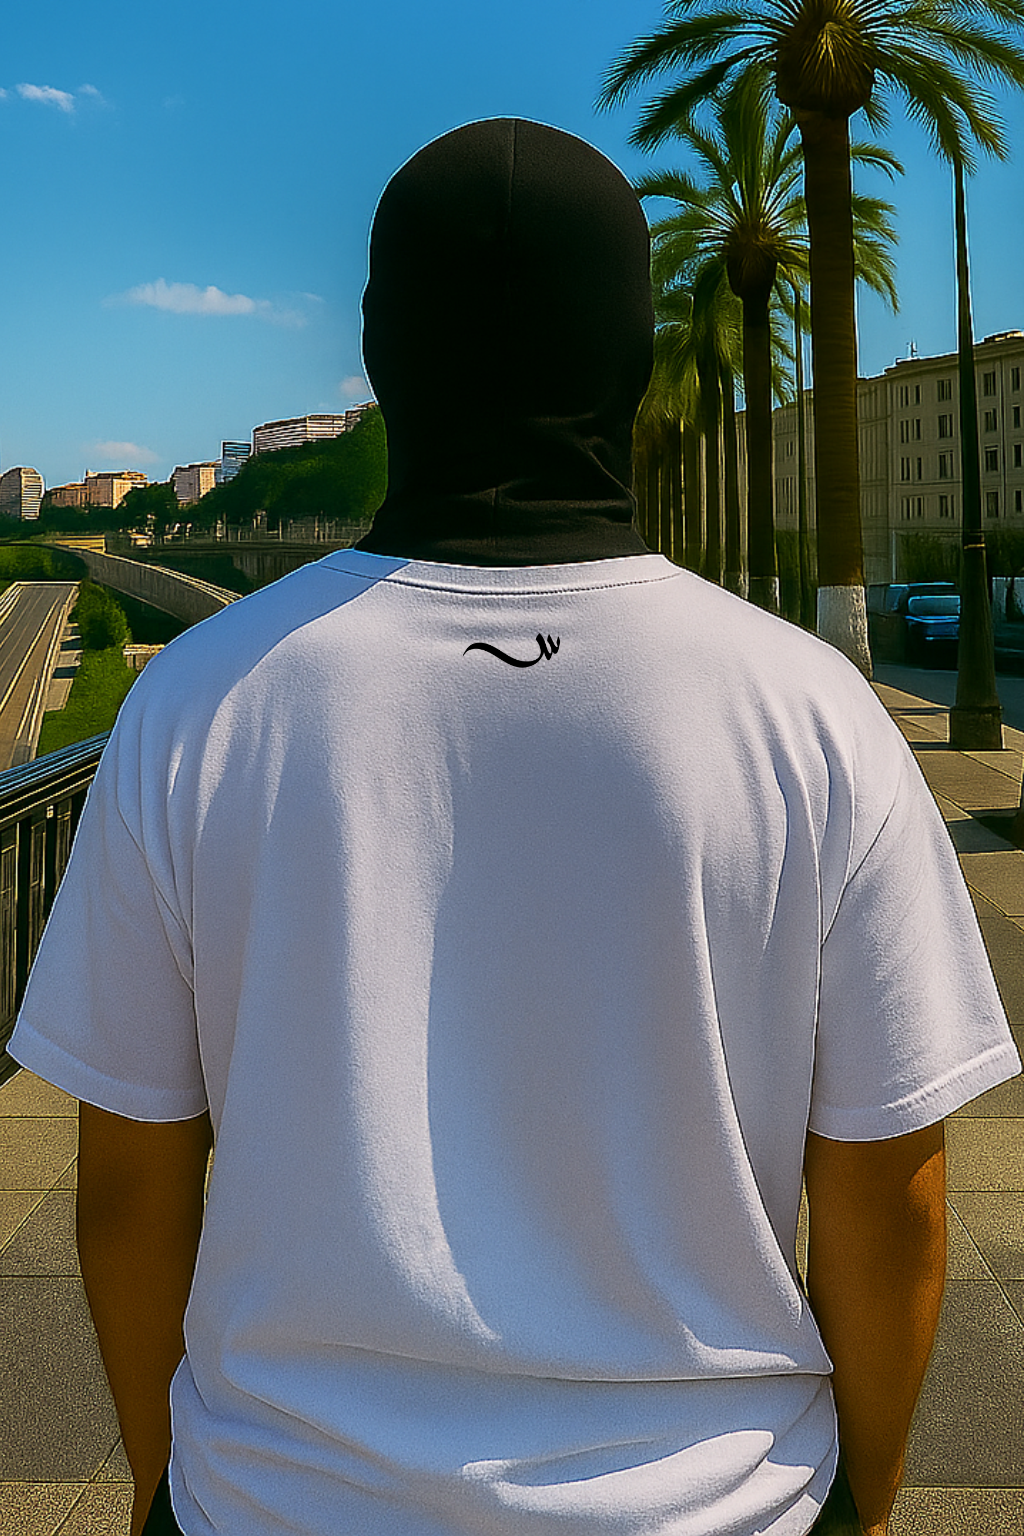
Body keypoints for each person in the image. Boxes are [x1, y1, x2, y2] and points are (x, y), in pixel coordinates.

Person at [9, 118, 1020, 1536]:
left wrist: (166, 1490)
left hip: (282, 1503)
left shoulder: (200, 705)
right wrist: (867, 1504)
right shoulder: (811, 713)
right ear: (634, 354)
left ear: (382, 353)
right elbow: (890, 1190)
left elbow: (126, 1189)